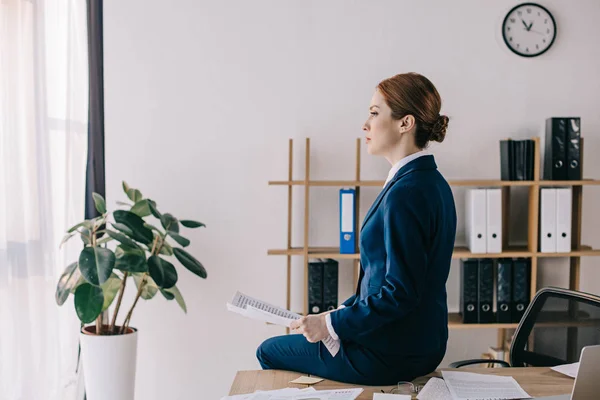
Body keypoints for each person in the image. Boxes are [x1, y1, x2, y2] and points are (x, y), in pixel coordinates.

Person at [256, 72, 457, 386]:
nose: (365, 124)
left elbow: (399, 293)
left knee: (268, 350)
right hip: (421, 344)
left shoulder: (406, 192)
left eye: (375, 113)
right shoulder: (431, 181)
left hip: (390, 353)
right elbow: (394, 282)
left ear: (406, 123)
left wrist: (331, 323)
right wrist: (337, 315)